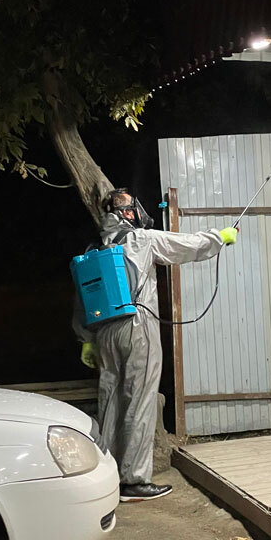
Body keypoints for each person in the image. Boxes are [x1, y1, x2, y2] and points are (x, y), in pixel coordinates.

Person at [74, 188, 238, 502]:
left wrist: (86, 340)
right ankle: (134, 481)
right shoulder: (141, 239)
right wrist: (221, 237)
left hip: (103, 333)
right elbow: (187, 245)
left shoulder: (94, 249)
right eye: (134, 207)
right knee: (140, 401)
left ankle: (108, 475)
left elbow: (82, 298)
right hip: (137, 326)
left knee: (110, 402)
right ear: (128, 213)